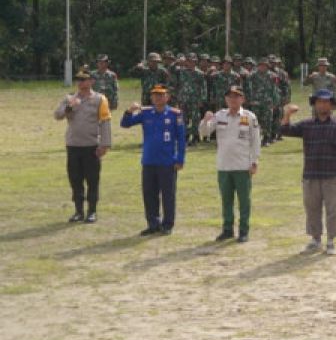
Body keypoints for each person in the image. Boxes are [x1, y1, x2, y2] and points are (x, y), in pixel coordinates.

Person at [280, 89, 336, 255]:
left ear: (332, 105)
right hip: (311, 174)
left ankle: (331, 241)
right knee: (312, 208)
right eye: (319, 101)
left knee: (333, 209)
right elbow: (285, 130)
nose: (322, 105)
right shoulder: (307, 125)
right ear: (314, 104)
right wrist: (287, 114)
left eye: (326, 102)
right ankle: (315, 239)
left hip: (331, 175)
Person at [120, 85, 186, 236]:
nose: (157, 98)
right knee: (149, 194)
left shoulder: (175, 115)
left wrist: (180, 158)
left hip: (168, 161)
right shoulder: (146, 113)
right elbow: (125, 124)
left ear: (167, 97)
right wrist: (129, 111)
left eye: (161, 95)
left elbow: (181, 139)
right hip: (149, 160)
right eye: (155, 95)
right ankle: (153, 223)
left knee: (168, 195)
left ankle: (167, 224)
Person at [199, 86, 261, 242]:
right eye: (230, 97)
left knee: (244, 201)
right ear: (226, 99)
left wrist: (255, 161)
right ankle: (227, 229)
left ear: (243, 99)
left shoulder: (249, 116)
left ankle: (243, 230)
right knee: (226, 201)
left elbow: (256, 141)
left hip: (242, 166)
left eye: (237, 96)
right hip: (224, 166)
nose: (233, 99)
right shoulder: (220, 115)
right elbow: (204, 132)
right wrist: (205, 120)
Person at [53, 69, 113, 223]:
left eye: (83, 79)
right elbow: (57, 115)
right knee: (75, 180)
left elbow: (105, 122)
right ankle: (78, 211)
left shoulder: (100, 99)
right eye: (78, 79)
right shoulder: (70, 98)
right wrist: (70, 107)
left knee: (92, 180)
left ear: (91, 81)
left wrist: (105, 144)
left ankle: (92, 211)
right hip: (73, 145)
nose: (80, 82)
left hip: (91, 146)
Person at [245, 57, 280, 149]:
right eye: (261, 65)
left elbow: (275, 90)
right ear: (258, 66)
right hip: (255, 102)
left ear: (267, 66)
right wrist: (249, 100)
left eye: (264, 65)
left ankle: (266, 139)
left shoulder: (272, 76)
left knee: (268, 120)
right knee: (254, 120)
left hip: (267, 102)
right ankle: (254, 139)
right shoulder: (252, 75)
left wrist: (275, 101)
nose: (262, 67)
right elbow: (247, 88)